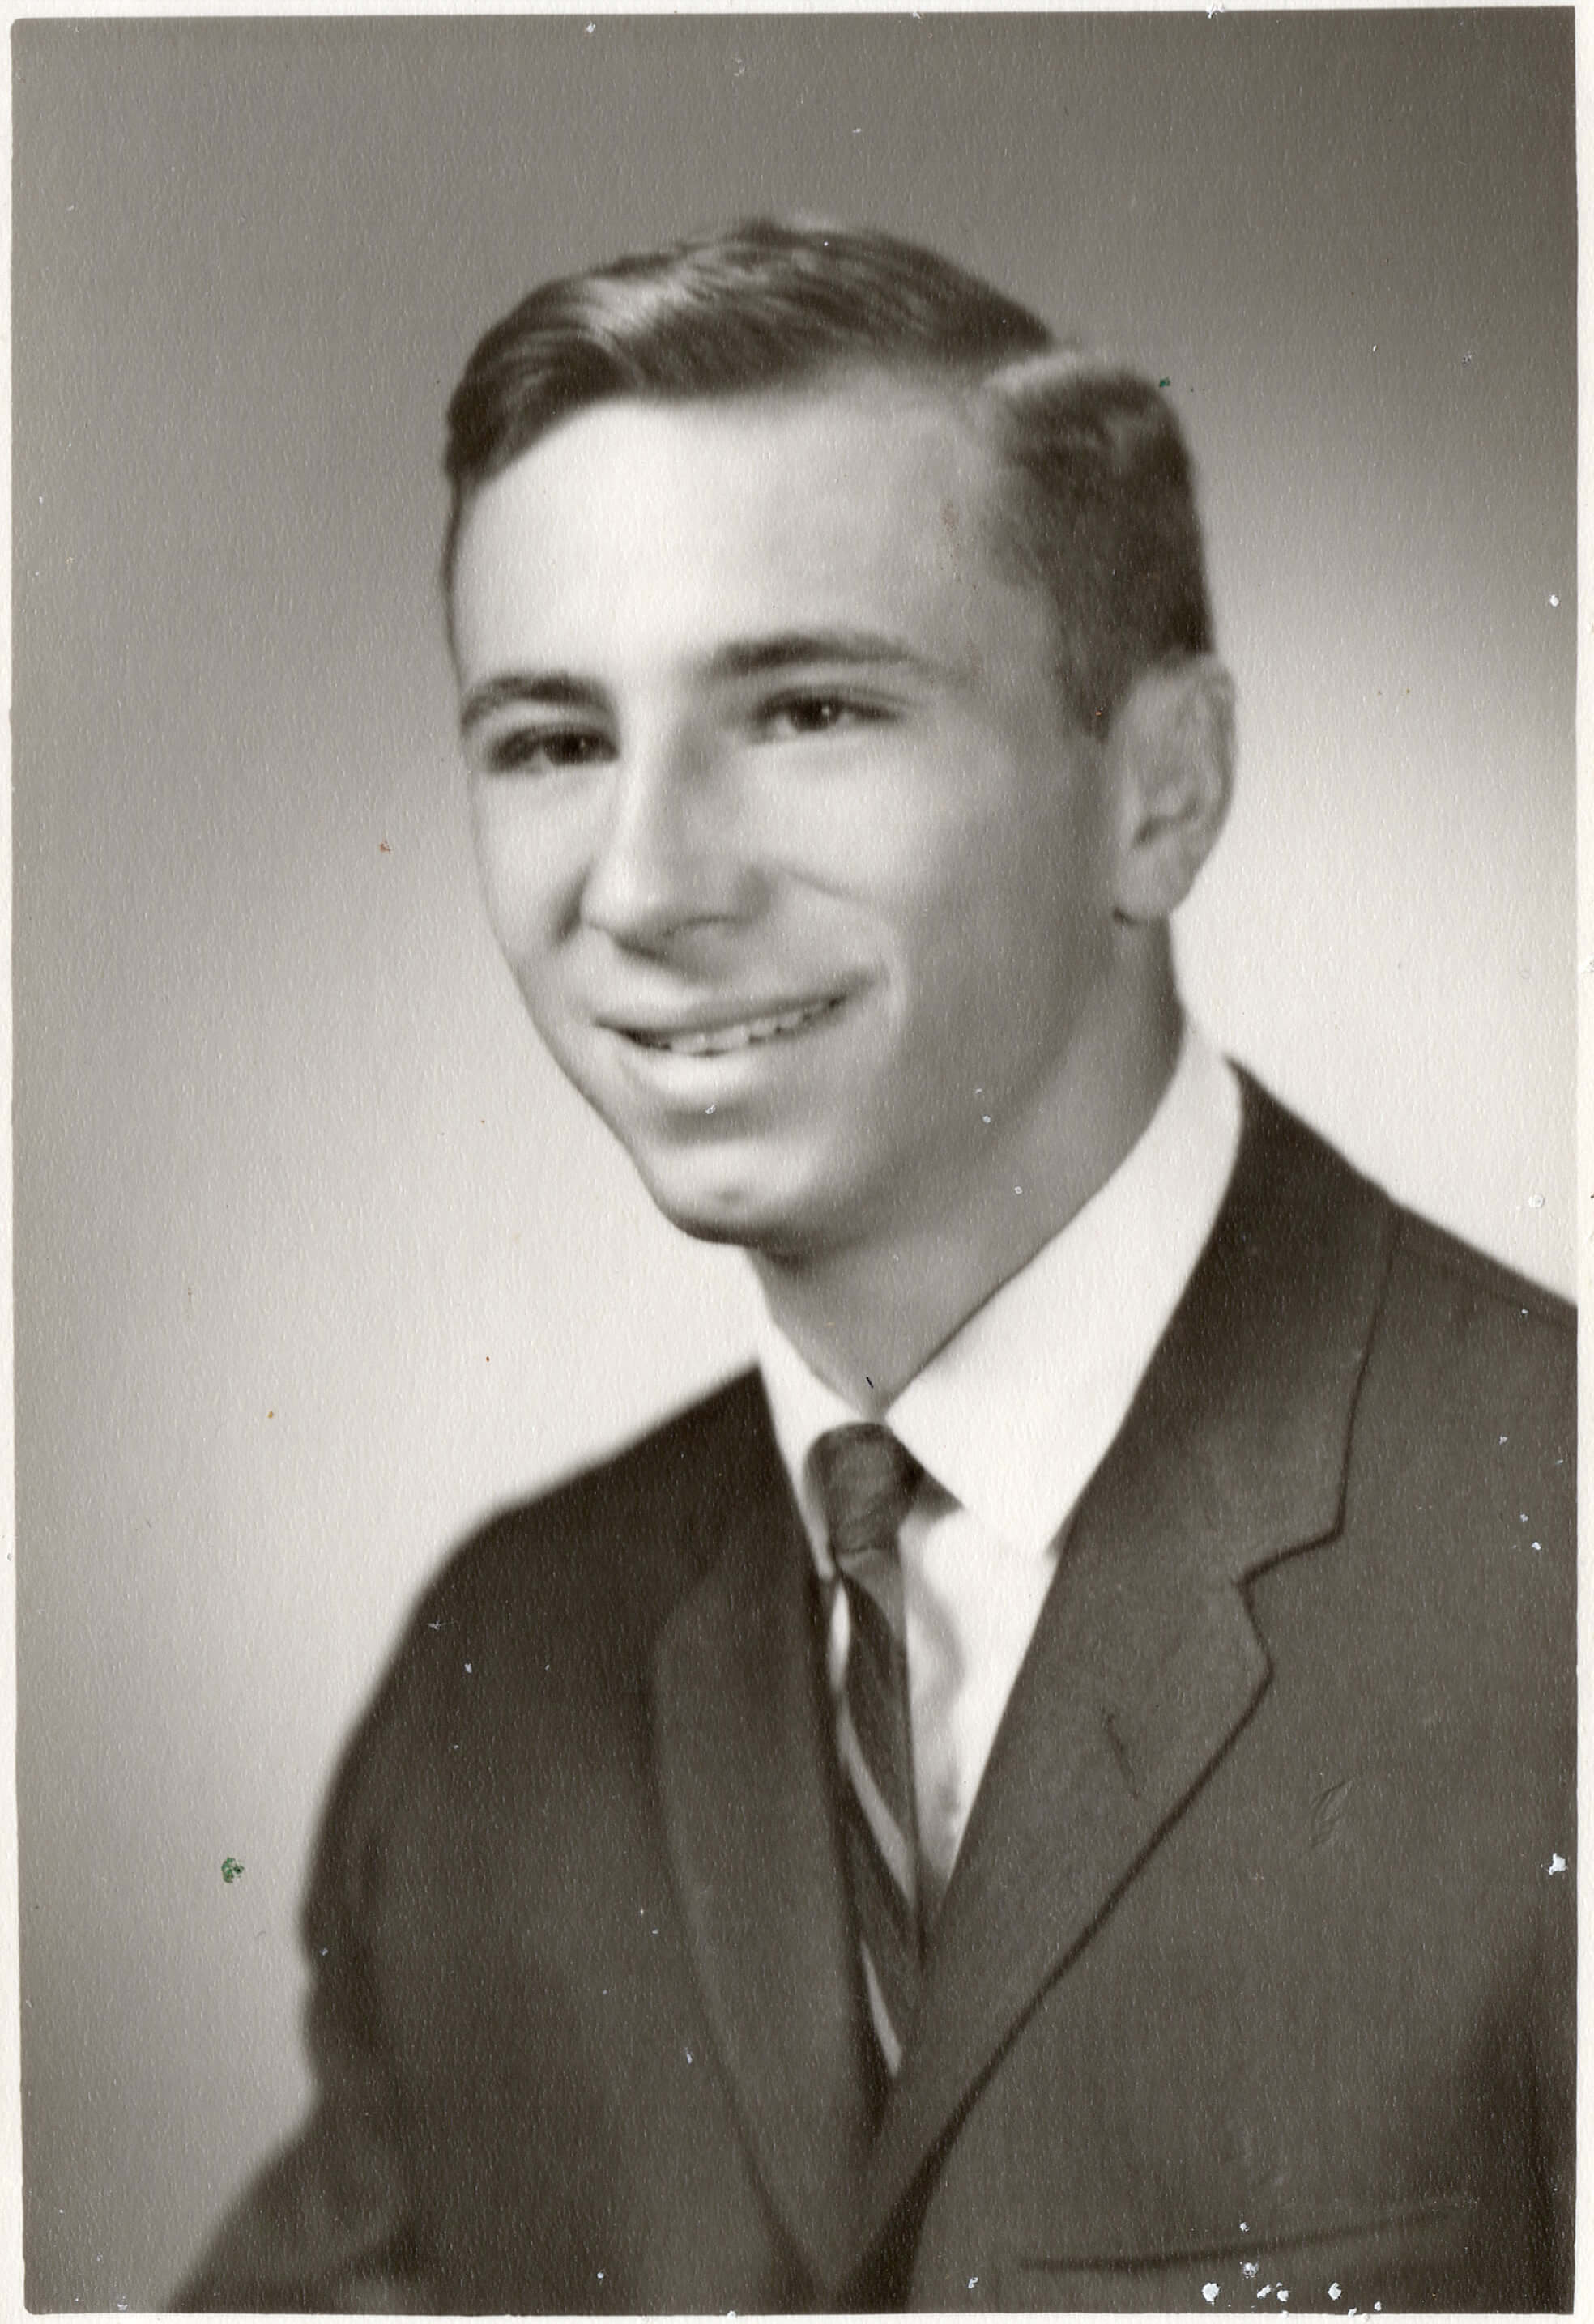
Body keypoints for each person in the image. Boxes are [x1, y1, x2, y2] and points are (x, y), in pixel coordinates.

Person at [179, 220, 1575, 2313]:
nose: (647, 887)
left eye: (812, 707)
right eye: (553, 741)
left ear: (1163, 794)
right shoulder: (505, 1675)